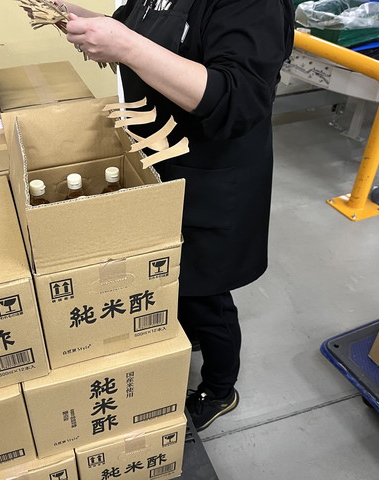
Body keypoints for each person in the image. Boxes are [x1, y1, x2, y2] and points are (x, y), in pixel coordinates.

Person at [44, 0, 294, 431]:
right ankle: (188, 335)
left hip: (212, 171)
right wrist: (78, 16)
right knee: (169, 274)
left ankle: (219, 388)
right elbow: (134, 25)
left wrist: (126, 46)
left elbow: (238, 98)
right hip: (162, 158)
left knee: (203, 291)